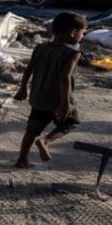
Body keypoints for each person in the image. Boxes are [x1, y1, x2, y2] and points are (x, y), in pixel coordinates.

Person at [13, 12, 86, 167]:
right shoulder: (73, 53)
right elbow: (65, 77)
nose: (82, 36)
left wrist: (23, 88)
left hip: (39, 97)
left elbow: (29, 69)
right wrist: (65, 103)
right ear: (72, 33)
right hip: (58, 99)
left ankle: (22, 159)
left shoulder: (40, 48)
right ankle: (45, 141)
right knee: (70, 124)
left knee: (32, 129)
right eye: (82, 33)